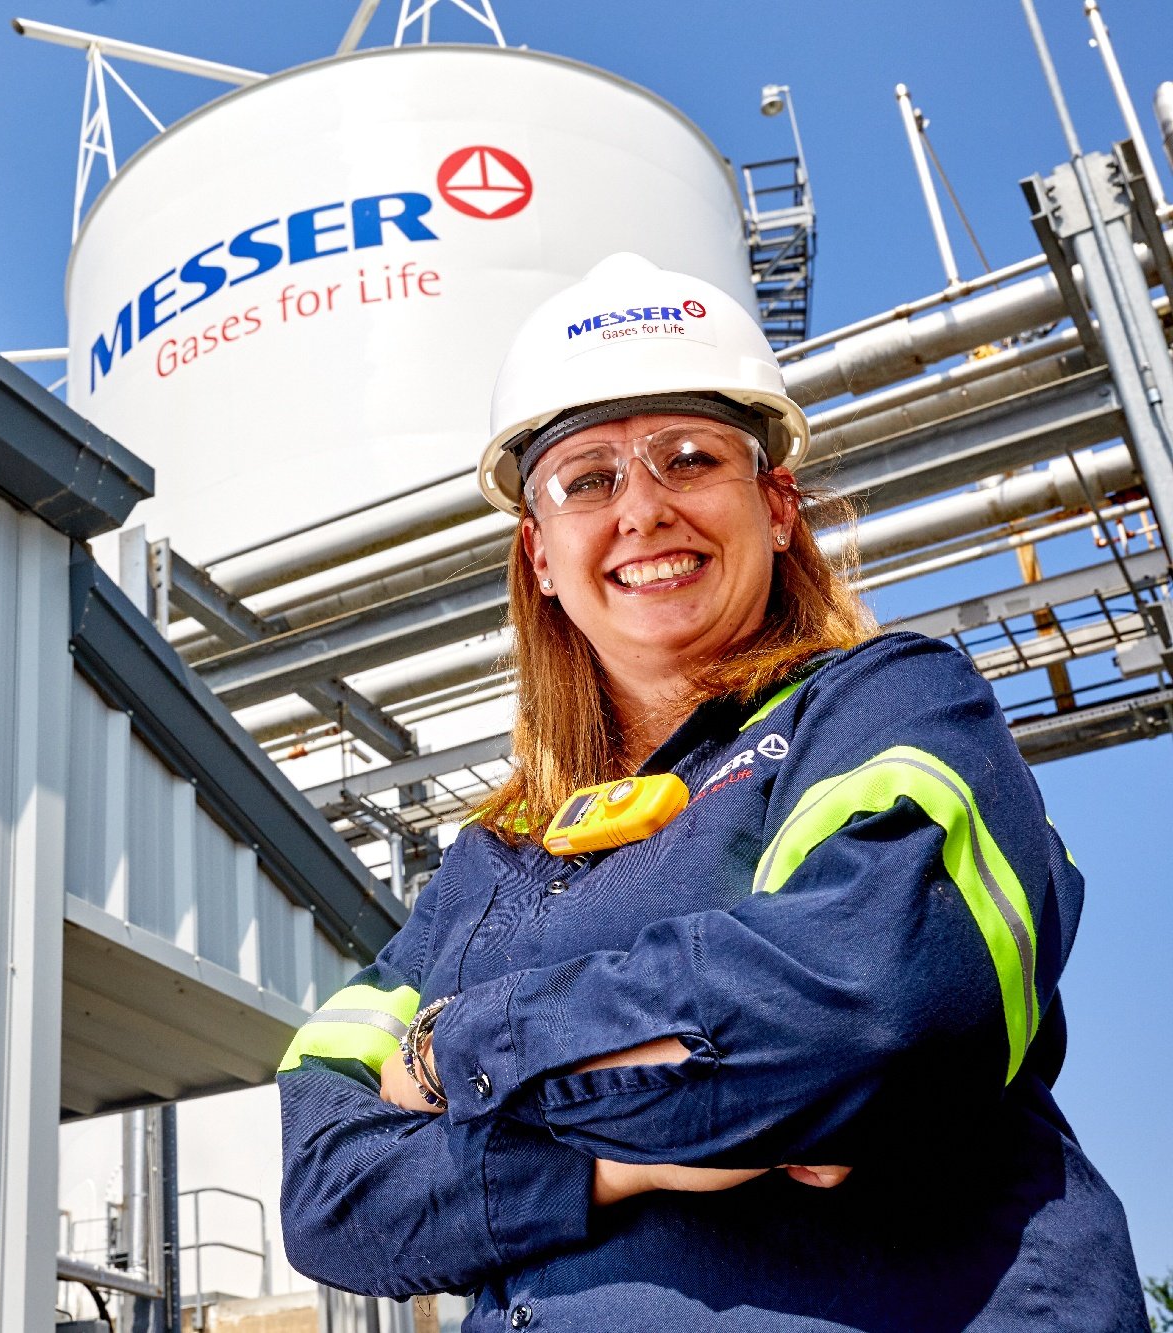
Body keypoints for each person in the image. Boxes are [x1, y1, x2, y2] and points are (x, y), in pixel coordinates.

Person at [276, 252, 1147, 1331]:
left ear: (775, 505)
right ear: (538, 554)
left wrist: (454, 1051)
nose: (639, 508)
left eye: (687, 460)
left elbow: (865, 1012)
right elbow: (327, 1192)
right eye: (587, 478)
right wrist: (628, 1165)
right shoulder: (490, 863)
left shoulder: (881, 708)